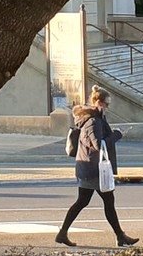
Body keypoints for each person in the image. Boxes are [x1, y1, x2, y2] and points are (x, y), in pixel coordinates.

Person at [57, 87, 137, 247]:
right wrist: (117, 135)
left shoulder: (92, 118)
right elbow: (98, 145)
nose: (108, 107)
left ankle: (62, 233)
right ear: (99, 103)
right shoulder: (93, 121)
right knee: (106, 201)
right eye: (107, 104)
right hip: (94, 170)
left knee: (84, 201)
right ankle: (120, 236)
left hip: (89, 168)